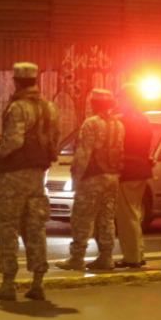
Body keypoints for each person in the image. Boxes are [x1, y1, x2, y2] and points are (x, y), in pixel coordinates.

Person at [0, 62, 60, 302]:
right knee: (35, 227)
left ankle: (8, 283)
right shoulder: (50, 107)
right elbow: (54, 139)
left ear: (16, 81)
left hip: (14, 175)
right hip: (38, 176)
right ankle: (38, 283)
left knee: (8, 226)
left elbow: (13, 141)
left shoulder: (18, 107)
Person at [56, 88, 123, 272]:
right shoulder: (118, 125)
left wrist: (76, 178)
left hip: (93, 177)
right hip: (112, 177)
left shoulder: (91, 124)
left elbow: (84, 153)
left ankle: (77, 257)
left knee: (82, 217)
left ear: (94, 104)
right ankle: (106, 257)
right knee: (106, 218)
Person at [114, 87, 153, 269]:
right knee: (134, 213)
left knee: (127, 215)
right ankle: (138, 253)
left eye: (121, 98)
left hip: (129, 171)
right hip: (142, 170)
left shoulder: (124, 121)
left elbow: (119, 147)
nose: (119, 102)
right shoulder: (143, 119)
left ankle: (132, 257)